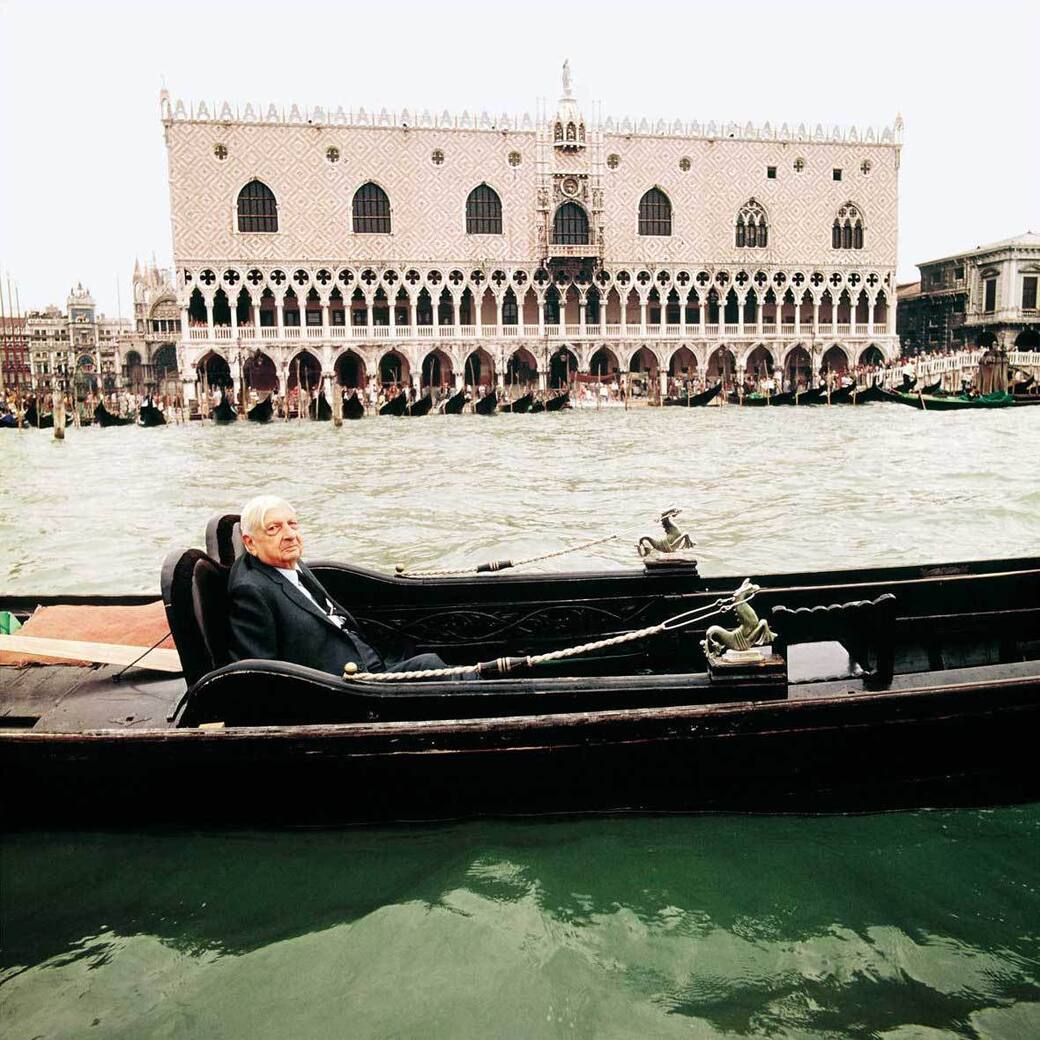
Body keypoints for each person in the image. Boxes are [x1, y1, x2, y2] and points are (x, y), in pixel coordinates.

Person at [228, 495, 454, 678]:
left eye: (292, 524)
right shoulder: (251, 591)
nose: (290, 535)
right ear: (250, 542)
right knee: (431, 665)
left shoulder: (288, 562)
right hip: (344, 687)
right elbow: (258, 673)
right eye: (273, 529)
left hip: (369, 661)